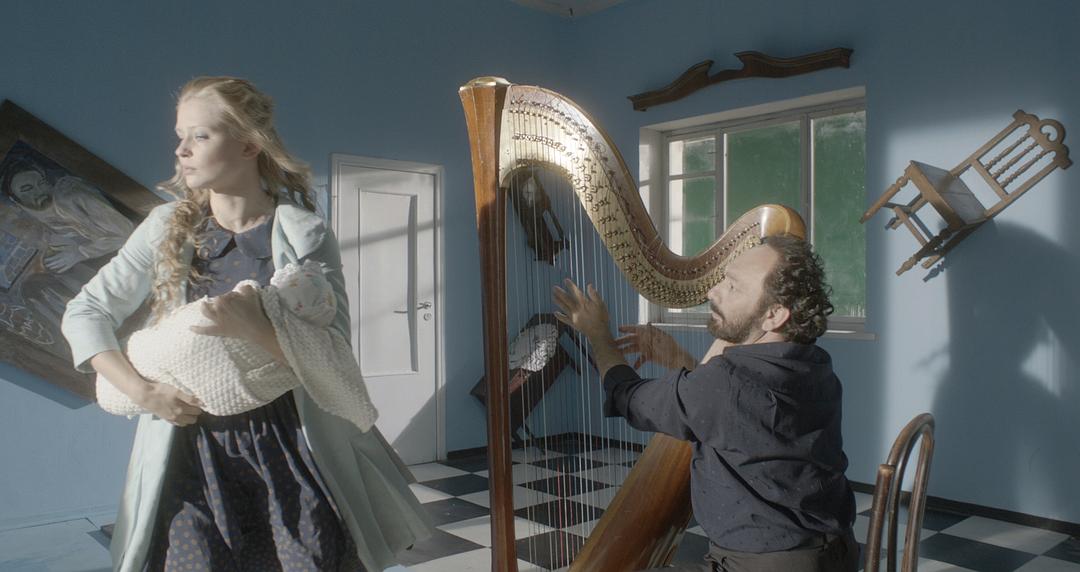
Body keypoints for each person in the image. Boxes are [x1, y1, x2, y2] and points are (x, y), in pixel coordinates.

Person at [62, 76, 432, 571]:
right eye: (180, 136)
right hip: (186, 446)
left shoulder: (303, 232)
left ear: (249, 144)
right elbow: (86, 312)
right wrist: (143, 392)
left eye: (200, 136)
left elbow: (335, 354)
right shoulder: (165, 228)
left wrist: (254, 330)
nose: (181, 150)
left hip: (290, 444)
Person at [552, 235, 857, 572]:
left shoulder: (726, 385)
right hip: (835, 553)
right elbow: (740, 413)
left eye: (733, 287)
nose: (713, 292)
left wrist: (597, 333)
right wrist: (678, 359)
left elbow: (628, 397)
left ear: (774, 314)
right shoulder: (814, 365)